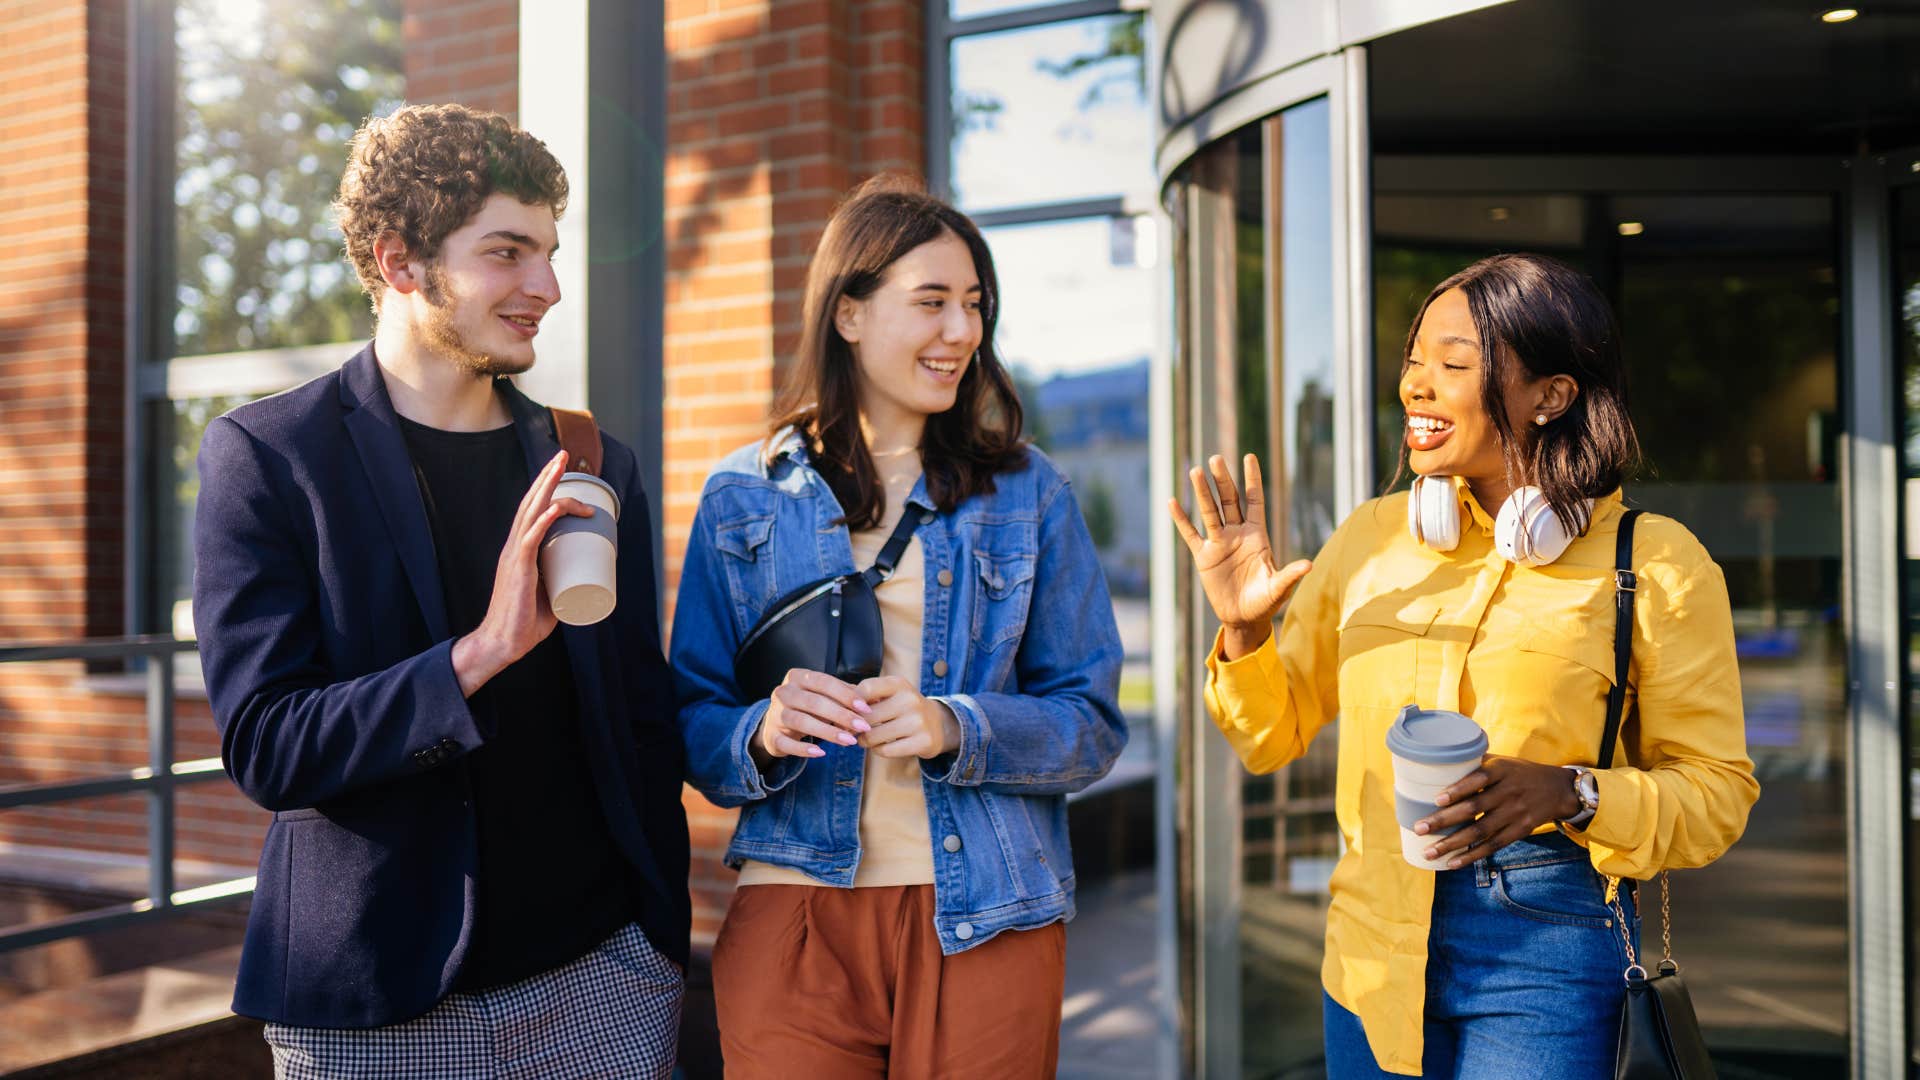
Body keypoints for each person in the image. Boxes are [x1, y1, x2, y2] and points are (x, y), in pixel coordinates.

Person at [1170, 253, 1759, 1078]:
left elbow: (1717, 794)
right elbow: (1267, 735)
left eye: (1453, 364)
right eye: (1415, 362)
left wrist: (1571, 790)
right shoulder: (1371, 538)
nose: (1417, 385)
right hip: (1370, 948)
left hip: (1547, 942)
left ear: (1551, 395)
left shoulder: (1656, 563)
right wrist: (1243, 632)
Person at [192, 104, 688, 1078]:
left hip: (600, 986)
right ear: (399, 261)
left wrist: (654, 933)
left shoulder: (591, 458)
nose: (544, 286)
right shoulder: (270, 458)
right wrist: (481, 653)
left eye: (548, 253)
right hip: (377, 1008)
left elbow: (640, 719)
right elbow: (268, 746)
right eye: (507, 252)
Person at [671, 176, 1128, 1078]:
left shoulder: (1028, 491)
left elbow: (1093, 723)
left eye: (974, 306)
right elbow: (689, 719)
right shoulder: (744, 495)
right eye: (931, 303)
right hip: (796, 918)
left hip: (988, 916)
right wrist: (760, 731)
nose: (961, 331)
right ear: (848, 312)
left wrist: (955, 725)